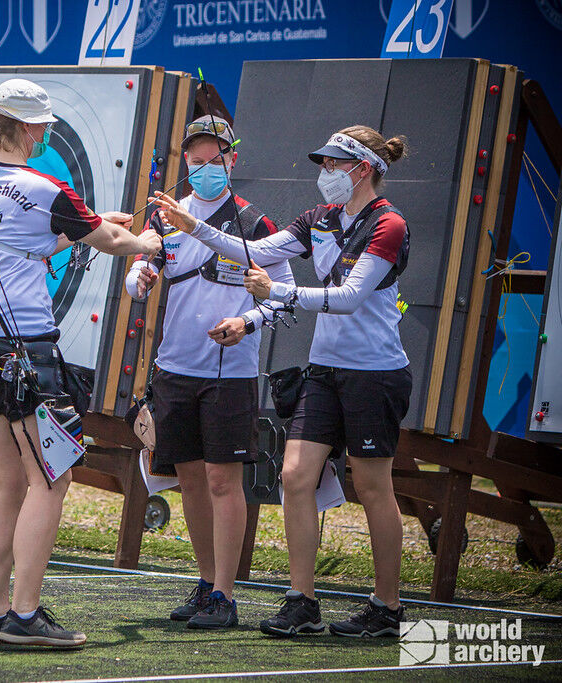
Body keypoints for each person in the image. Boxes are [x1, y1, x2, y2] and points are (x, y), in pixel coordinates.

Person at [151, 125, 411, 639]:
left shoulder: (389, 224)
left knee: (372, 484)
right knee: (294, 476)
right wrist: (190, 225)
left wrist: (278, 294)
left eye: (333, 164)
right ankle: (302, 599)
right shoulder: (318, 218)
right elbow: (254, 247)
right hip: (324, 367)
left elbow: (348, 296)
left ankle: (387, 605)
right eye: (322, 164)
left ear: (362, 169)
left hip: (374, 371)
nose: (324, 174)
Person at [0, 79, 161, 648]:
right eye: (42, 125)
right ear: (24, 128)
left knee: (5, 481)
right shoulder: (48, 187)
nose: (47, 133)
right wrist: (147, 244)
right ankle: (23, 615)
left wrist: (87, 225)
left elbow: (23, 242)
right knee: (53, 477)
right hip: (24, 348)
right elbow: (111, 242)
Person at [125, 116, 293, 630]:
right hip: (175, 369)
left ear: (231, 160)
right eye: (194, 162)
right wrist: (143, 275)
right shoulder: (165, 218)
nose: (203, 170)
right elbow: (135, 280)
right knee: (191, 480)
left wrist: (245, 322)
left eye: (213, 160)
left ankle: (225, 592)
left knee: (224, 481)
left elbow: (282, 295)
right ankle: (204, 585)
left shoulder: (255, 222)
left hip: (230, 374)